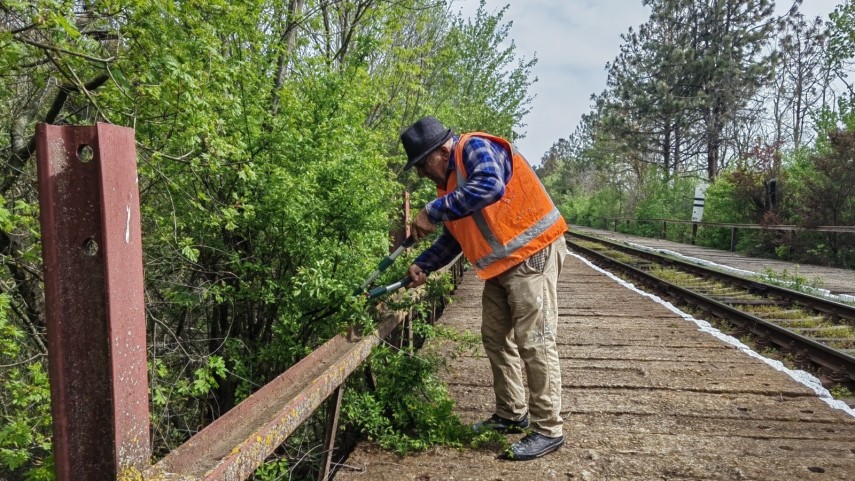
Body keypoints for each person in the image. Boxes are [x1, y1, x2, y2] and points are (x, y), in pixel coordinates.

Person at [400, 116, 568, 461]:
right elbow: (455, 237)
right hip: (502, 265)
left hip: (532, 254)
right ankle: (511, 413)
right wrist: (424, 265)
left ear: (440, 152)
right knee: (495, 337)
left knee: (534, 341)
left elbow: (491, 185)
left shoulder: (474, 148)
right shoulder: (449, 188)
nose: (419, 174)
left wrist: (433, 211)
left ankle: (548, 428)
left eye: (420, 164)